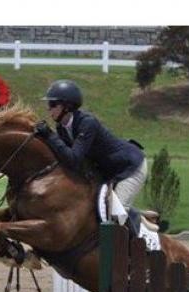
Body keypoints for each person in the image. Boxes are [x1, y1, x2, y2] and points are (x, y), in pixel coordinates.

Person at [34, 79, 148, 218]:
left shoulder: (87, 123)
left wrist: (50, 136)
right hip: (108, 170)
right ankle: (135, 215)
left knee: (115, 215)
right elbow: (63, 155)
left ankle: (139, 231)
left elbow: (74, 159)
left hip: (129, 167)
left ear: (67, 106)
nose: (48, 108)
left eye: (52, 104)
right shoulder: (62, 128)